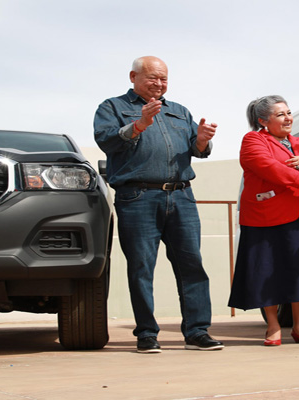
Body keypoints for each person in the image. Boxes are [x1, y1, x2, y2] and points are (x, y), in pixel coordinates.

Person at [94, 56, 223, 353]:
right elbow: (107, 141)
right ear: (133, 77)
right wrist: (139, 124)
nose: (160, 84)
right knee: (141, 267)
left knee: (191, 264)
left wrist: (202, 140)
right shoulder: (112, 108)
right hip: (137, 197)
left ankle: (197, 332)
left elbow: (198, 150)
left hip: (181, 196)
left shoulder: (179, 111)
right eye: (153, 77)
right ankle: (147, 334)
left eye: (164, 79)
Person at [228, 95, 299, 346]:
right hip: (264, 216)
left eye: (288, 113)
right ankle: (273, 325)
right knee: (267, 269)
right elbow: (267, 167)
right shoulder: (253, 140)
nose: (288, 118)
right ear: (263, 121)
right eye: (280, 114)